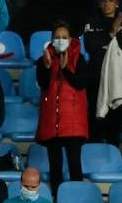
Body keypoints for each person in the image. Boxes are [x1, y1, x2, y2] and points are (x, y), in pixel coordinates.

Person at [35, 23, 90, 193]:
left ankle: (77, 198)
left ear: (70, 39)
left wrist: (65, 69)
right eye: (57, 37)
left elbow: (80, 84)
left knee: (74, 164)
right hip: (51, 121)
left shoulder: (79, 59)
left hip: (73, 122)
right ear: (51, 40)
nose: (60, 40)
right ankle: (57, 199)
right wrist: (46, 67)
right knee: (55, 165)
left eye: (64, 37)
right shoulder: (44, 60)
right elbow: (43, 84)